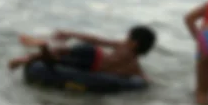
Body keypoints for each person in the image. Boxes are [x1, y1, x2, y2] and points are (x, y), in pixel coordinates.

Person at [8, 26, 157, 80]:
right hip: (93, 63)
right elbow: (143, 79)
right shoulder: (134, 65)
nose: (126, 39)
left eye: (128, 37)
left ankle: (31, 53)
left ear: (134, 42)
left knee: (59, 54)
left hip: (92, 51)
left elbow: (96, 40)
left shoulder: (121, 45)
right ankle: (42, 47)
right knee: (54, 61)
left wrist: (70, 34)